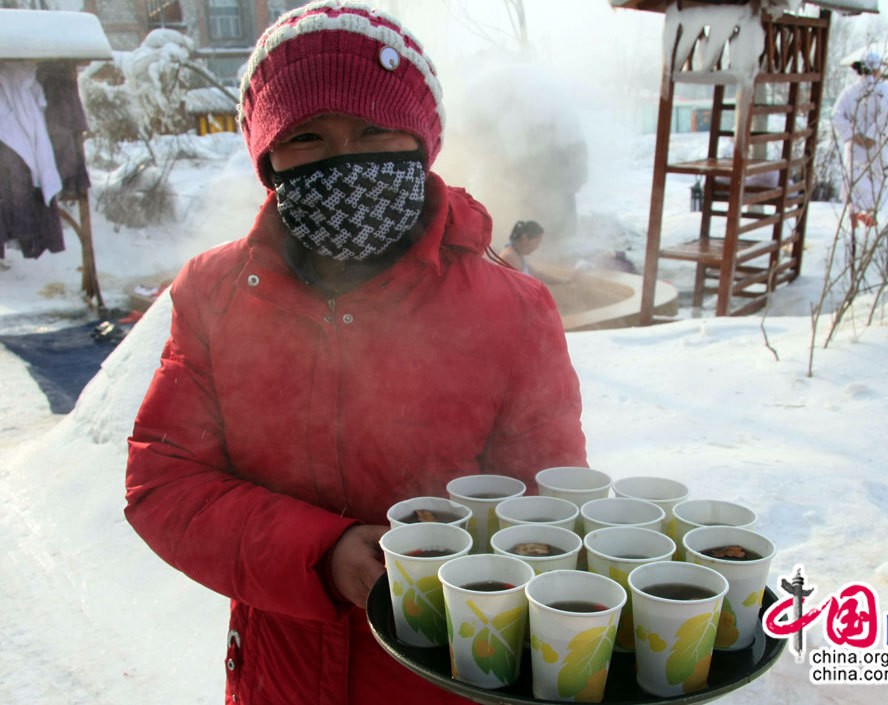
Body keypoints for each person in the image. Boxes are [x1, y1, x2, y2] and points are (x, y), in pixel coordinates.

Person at [123, 3, 587, 705]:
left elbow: (548, 509)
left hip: (449, 679)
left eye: (373, 128)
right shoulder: (214, 296)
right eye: (307, 136)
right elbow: (164, 484)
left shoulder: (514, 311)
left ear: (421, 139)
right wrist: (320, 552)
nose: (345, 156)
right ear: (267, 157)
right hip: (279, 679)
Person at [830, 49, 888, 229]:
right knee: (875, 179)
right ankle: (871, 218)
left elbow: (836, 116)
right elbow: (887, 116)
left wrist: (854, 134)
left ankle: (854, 218)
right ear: (877, 69)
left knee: (854, 180)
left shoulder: (849, 91)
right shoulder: (884, 90)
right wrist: (872, 135)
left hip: (854, 145)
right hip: (875, 145)